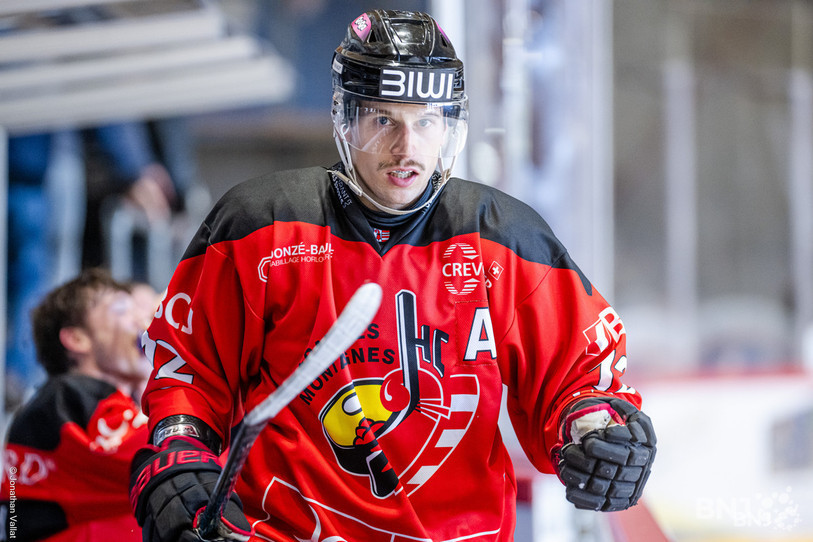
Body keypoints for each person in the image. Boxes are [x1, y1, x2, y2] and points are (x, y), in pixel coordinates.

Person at [129, 9, 657, 542]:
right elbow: (189, 372)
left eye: (426, 121)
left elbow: (579, 380)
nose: (407, 148)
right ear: (346, 120)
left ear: (451, 125)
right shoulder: (260, 224)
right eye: (384, 120)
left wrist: (597, 429)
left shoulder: (504, 238)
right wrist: (178, 454)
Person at [1, 269, 153, 541]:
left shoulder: (61, 403)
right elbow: (165, 455)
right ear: (77, 339)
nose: (145, 321)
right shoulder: (67, 397)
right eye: (122, 310)